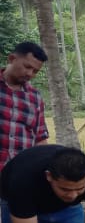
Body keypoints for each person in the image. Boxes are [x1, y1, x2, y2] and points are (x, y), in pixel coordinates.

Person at [0, 41, 49, 170]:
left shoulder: (35, 97)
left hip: (19, 173)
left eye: (35, 71)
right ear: (11, 59)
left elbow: (40, 138)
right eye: (27, 67)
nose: (30, 74)